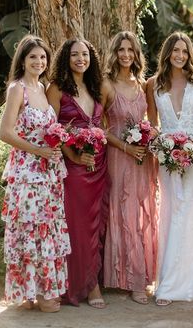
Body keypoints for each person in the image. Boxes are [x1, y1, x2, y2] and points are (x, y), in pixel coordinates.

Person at [0, 35, 70, 313]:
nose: (39, 62)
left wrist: (55, 144)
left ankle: (43, 291)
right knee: (30, 230)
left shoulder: (43, 87)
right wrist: (37, 151)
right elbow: (5, 133)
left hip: (50, 174)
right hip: (28, 173)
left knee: (47, 232)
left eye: (42, 57)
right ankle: (32, 293)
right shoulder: (18, 89)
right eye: (33, 57)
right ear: (23, 60)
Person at [146, 31, 193, 305]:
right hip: (165, 155)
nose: (180, 55)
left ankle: (180, 284)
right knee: (172, 210)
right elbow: (152, 123)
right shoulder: (153, 84)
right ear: (167, 53)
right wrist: (164, 148)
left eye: (184, 51)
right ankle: (168, 278)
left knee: (190, 210)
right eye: (175, 50)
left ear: (189, 54)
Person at [47, 39, 109, 308]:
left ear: (91, 58)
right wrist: (72, 154)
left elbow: (107, 123)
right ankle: (84, 285)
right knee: (78, 225)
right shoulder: (57, 89)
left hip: (99, 165)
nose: (80, 59)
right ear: (66, 58)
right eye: (74, 55)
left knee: (99, 223)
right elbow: (51, 131)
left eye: (85, 54)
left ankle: (96, 279)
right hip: (73, 168)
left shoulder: (97, 87)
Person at [103, 31, 158, 304]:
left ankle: (141, 274)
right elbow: (98, 127)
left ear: (137, 54)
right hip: (117, 156)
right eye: (121, 50)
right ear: (114, 53)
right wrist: (124, 146)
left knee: (139, 214)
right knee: (120, 211)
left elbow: (148, 119)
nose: (126, 55)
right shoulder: (106, 84)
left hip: (141, 158)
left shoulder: (142, 85)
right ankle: (126, 279)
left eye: (131, 50)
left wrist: (150, 137)